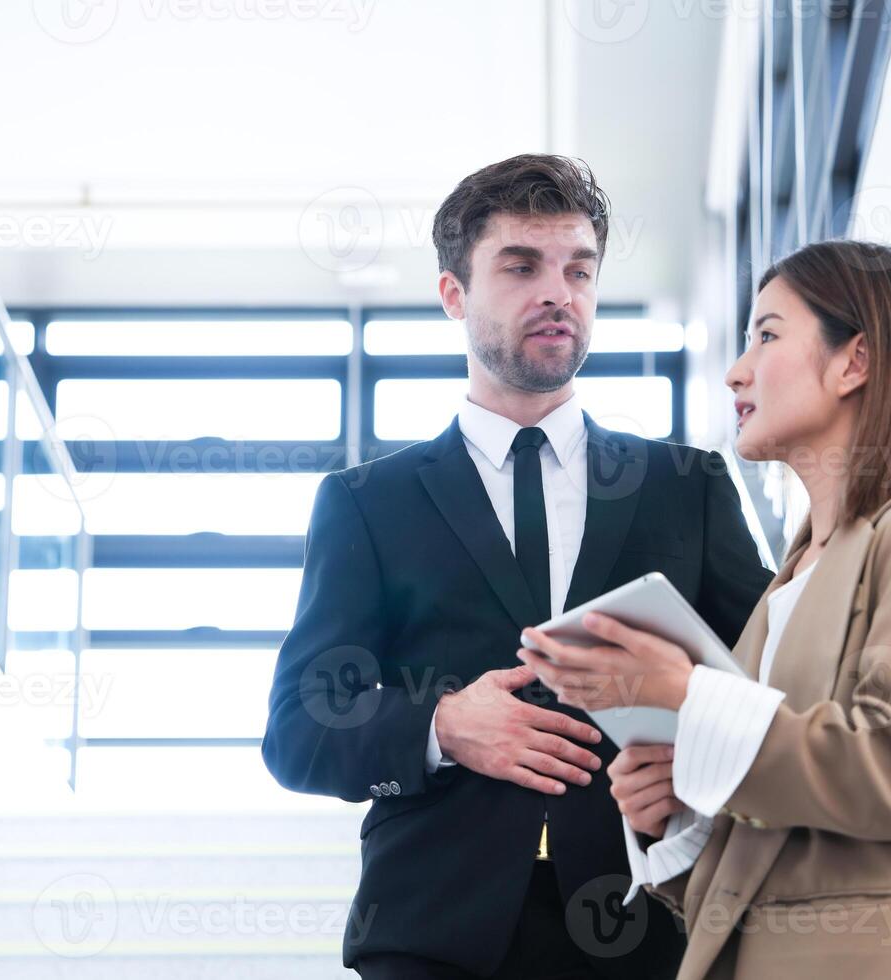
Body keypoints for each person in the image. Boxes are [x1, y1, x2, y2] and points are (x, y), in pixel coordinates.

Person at [261, 154, 773, 979]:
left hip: (649, 926)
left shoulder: (689, 488)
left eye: (579, 269)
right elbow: (298, 728)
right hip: (433, 935)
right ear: (454, 295)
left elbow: (765, 693)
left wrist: (691, 761)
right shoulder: (368, 503)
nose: (558, 293)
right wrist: (440, 728)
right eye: (521, 266)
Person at [519, 239, 891, 979]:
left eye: (766, 334)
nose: (737, 370)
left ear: (854, 362)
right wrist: (676, 812)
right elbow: (760, 869)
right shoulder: (787, 586)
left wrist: (687, 695)